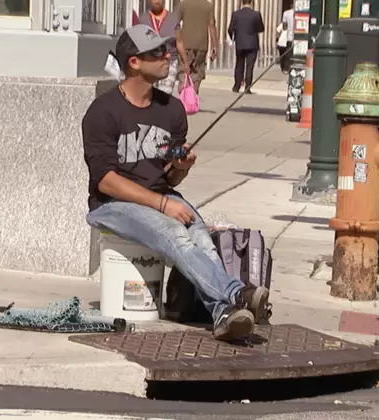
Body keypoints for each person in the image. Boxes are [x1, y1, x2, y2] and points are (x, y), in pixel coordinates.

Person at [81, 24, 270, 341]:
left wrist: (181, 168)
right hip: (111, 205)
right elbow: (106, 182)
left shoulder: (172, 110)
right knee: (173, 231)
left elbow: (167, 177)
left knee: (199, 234)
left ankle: (222, 313)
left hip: (159, 195)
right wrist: (163, 205)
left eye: (166, 49)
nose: (166, 55)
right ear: (134, 62)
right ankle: (237, 294)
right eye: (156, 52)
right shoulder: (103, 111)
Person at [138, 0, 190, 95]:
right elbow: (139, 42)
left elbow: (179, 41)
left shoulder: (173, 19)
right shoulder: (143, 19)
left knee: (165, 93)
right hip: (150, 61)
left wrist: (185, 62)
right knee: (150, 94)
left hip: (169, 61)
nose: (157, 1)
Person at [175, 0, 218, 94]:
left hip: (185, 43)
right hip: (202, 44)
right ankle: (193, 94)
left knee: (183, 70)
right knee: (198, 72)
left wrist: (177, 39)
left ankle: (183, 96)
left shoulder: (183, 5)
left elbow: (175, 24)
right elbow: (212, 26)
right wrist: (214, 46)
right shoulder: (208, 6)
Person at [227, 0, 265, 94]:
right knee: (250, 66)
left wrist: (234, 37)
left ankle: (237, 85)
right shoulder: (256, 14)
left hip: (240, 43)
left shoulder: (236, 14)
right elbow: (261, 28)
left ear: (241, 2)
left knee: (239, 64)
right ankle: (247, 87)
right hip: (252, 43)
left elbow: (230, 29)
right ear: (251, 2)